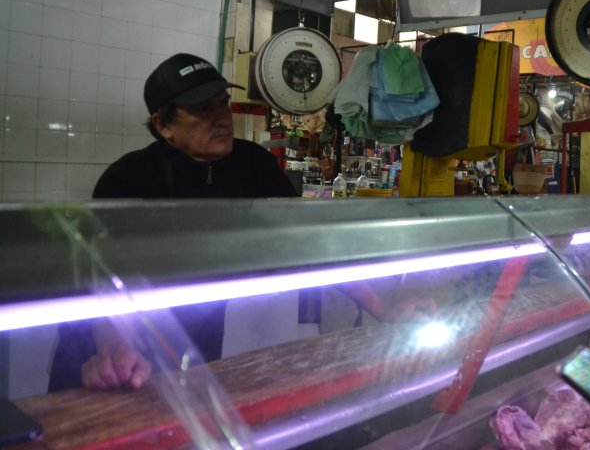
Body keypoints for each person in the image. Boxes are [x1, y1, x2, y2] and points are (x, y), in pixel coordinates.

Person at [49, 53, 432, 392]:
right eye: (202, 110)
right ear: (163, 125)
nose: (222, 119)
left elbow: (308, 242)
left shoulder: (253, 165)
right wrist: (111, 345)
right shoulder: (128, 179)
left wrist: (383, 306)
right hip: (113, 345)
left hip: (197, 333)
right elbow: (100, 274)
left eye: (223, 103)